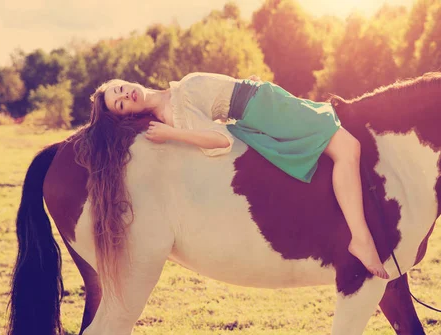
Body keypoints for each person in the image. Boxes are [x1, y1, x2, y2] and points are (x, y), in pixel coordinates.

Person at [93, 72, 389, 279]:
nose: (124, 95)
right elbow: (221, 141)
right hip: (265, 110)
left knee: (343, 145)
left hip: (266, 100)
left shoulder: (174, 93)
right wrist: (173, 133)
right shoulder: (173, 114)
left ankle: (359, 234)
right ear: (127, 115)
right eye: (120, 104)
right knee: (348, 149)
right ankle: (360, 238)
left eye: (119, 89)